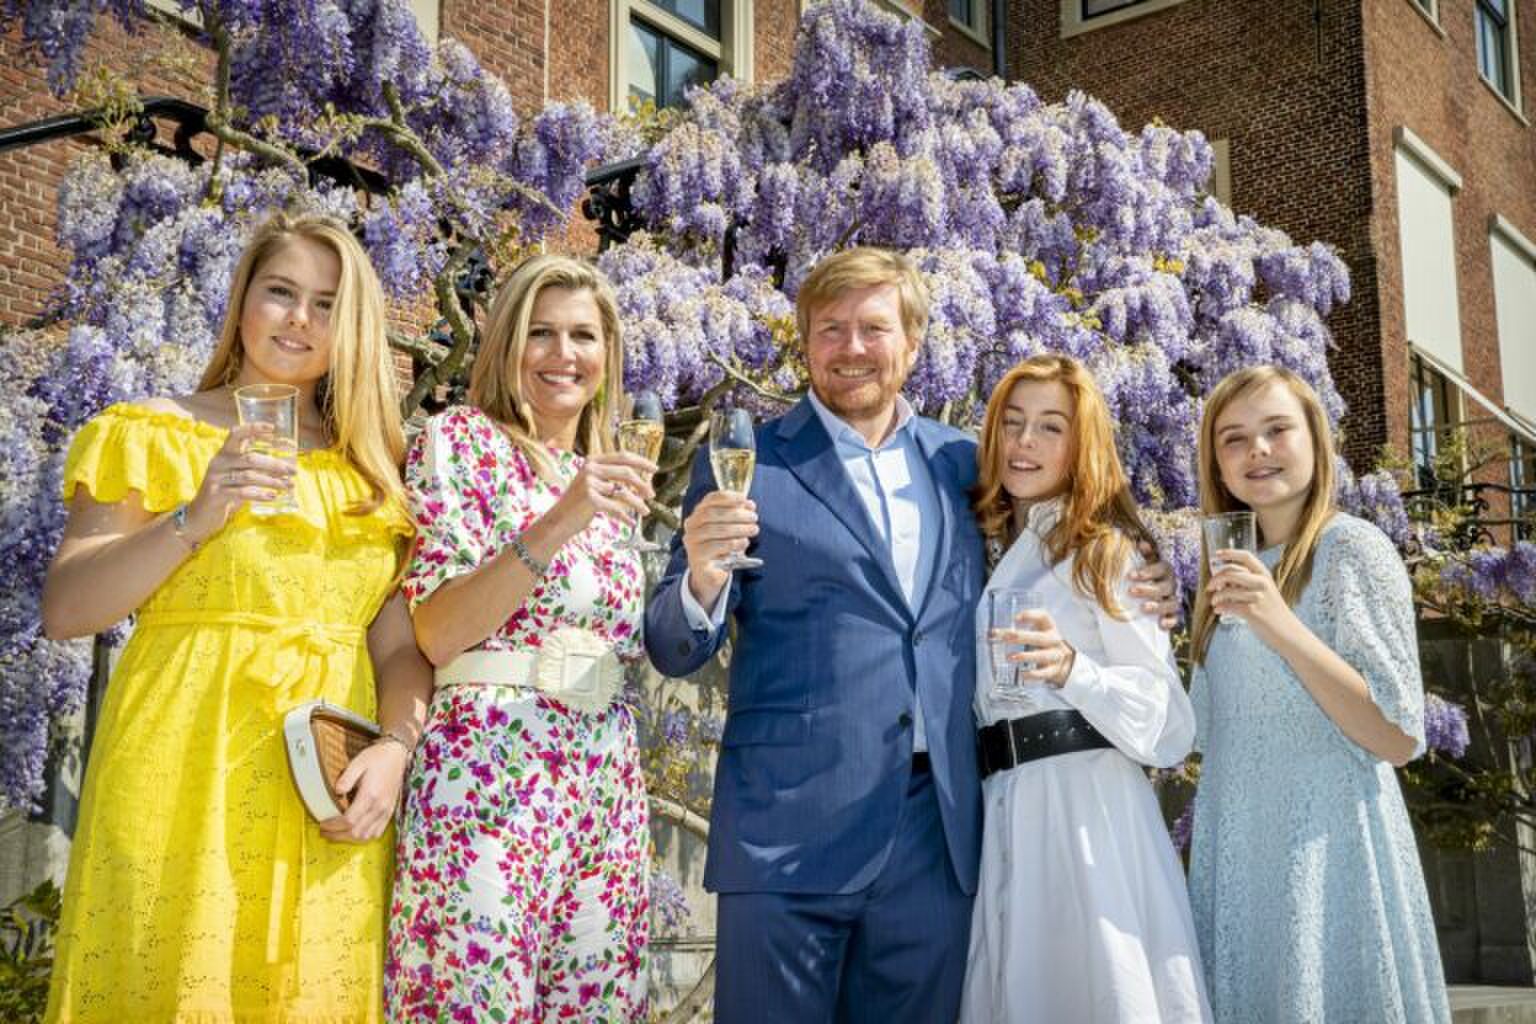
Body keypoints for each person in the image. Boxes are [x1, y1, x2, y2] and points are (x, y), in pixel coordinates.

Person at [644, 247, 1181, 1022]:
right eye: (830, 329)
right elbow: (672, 644)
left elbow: (1056, 542)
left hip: (938, 836)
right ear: (805, 342)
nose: (851, 348)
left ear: (914, 344)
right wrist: (698, 574)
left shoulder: (967, 464)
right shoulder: (749, 462)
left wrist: (1141, 573)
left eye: (873, 328)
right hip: (786, 833)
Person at [41, 211, 432, 1022]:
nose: (299, 319)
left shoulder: (378, 468)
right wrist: (194, 517)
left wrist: (396, 749)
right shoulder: (151, 432)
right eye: (281, 292)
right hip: (182, 768)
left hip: (321, 784)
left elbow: (396, 644)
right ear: (242, 301)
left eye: (326, 304)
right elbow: (67, 609)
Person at [384, 255, 655, 1022]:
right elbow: (435, 631)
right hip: (488, 772)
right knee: (473, 1001)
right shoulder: (459, 441)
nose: (563, 355)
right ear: (506, 344)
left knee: (594, 1008)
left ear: (607, 357)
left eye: (581, 336)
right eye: (540, 333)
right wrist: (561, 517)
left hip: (603, 777)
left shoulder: (605, 476)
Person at [1186, 365, 1451, 1023]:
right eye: (1235, 439)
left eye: (1277, 429)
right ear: (1216, 464)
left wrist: (1279, 624)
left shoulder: (1353, 549)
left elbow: (1396, 734)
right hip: (1240, 849)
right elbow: (1197, 733)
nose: (1258, 451)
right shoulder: (1221, 572)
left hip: (1329, 851)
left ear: (1316, 439)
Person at [957, 354, 1211, 1023]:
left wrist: (1074, 667)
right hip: (1007, 801)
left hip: (1085, 814)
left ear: (1082, 443)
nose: (1025, 443)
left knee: (1094, 986)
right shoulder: (990, 541)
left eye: (1049, 427)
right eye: (1012, 424)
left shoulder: (1108, 551)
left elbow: (1167, 723)